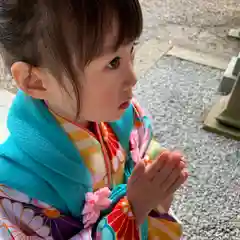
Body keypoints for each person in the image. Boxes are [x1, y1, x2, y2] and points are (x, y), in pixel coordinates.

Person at [0, 0, 188, 239]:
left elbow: (145, 157)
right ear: (34, 81)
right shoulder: (14, 187)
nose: (132, 78)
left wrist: (160, 189)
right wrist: (133, 208)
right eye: (113, 63)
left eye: (131, 51)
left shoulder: (123, 115)